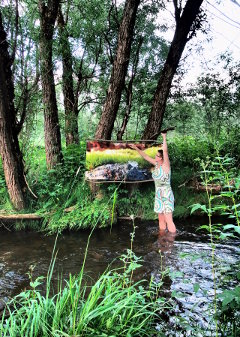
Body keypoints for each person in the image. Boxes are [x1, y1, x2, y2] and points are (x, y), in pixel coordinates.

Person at [129, 132, 176, 233]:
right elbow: (145, 156)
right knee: (161, 219)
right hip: (158, 194)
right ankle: (162, 238)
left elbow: (165, 151)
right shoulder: (156, 164)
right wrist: (136, 148)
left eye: (157, 155)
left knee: (169, 220)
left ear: (161, 158)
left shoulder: (166, 166)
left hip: (166, 194)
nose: (155, 156)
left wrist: (164, 137)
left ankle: (172, 242)